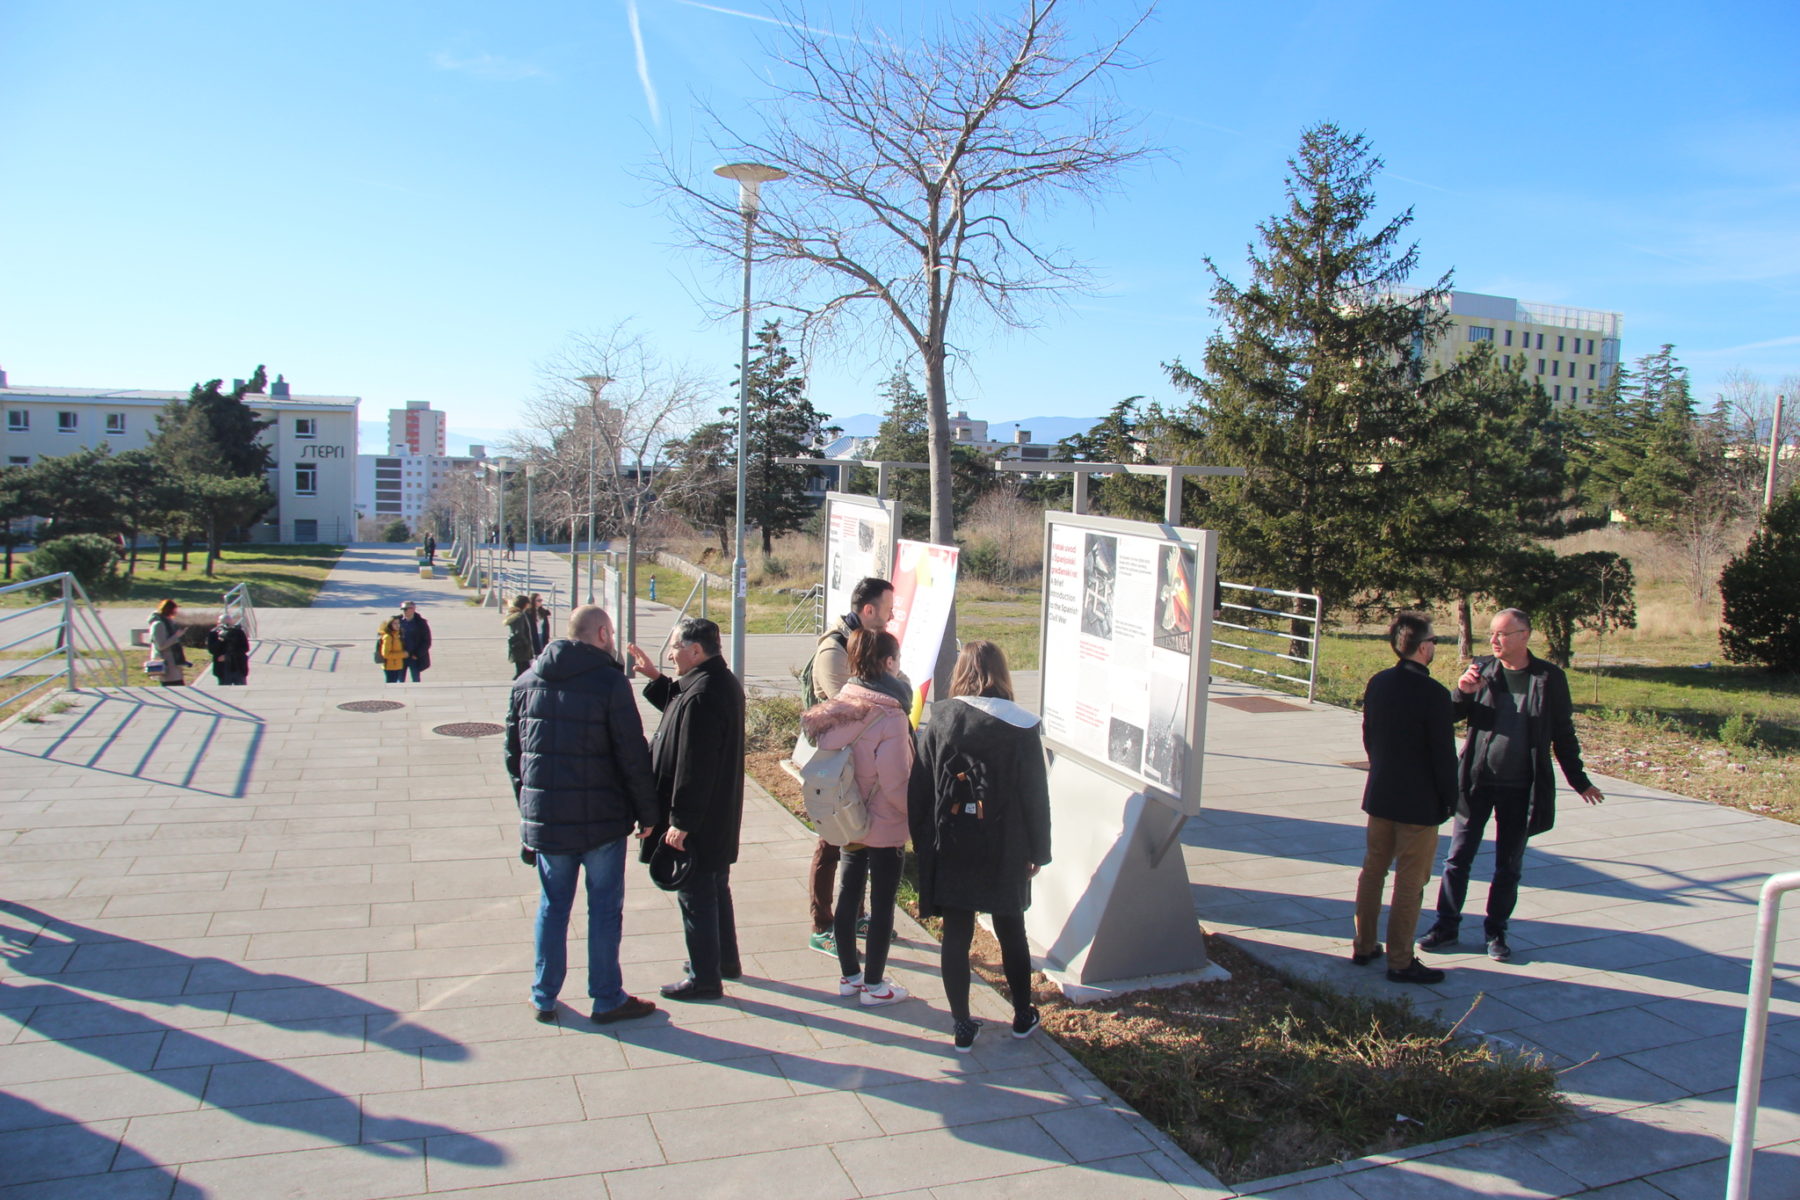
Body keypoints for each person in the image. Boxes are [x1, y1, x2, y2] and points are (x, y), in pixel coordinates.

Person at [1419, 608, 1605, 962]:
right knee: (1458, 858)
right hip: (1476, 781)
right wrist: (1462, 692)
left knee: (1508, 865)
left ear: (1524, 636)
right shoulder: (1482, 669)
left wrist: (1579, 781)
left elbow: (1563, 734)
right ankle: (1446, 926)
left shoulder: (1549, 679)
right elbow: (1449, 717)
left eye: (1502, 634)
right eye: (1492, 633)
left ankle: (1496, 931)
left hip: (1521, 787)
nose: (1494, 641)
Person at [506, 604, 661, 1025]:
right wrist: (648, 812)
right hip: (601, 822)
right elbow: (631, 753)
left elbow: (513, 756)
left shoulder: (526, 681)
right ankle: (607, 998)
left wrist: (529, 810)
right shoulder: (609, 683)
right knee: (604, 910)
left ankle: (543, 994)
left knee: (552, 907)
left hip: (547, 822)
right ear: (603, 634)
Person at [908, 640, 1050, 1052]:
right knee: (1011, 929)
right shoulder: (1022, 726)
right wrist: (1038, 851)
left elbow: (919, 787)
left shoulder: (941, 719)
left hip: (952, 841)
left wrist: (924, 842)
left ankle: (961, 1024)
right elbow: (1035, 796)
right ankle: (1022, 1014)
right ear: (1002, 673)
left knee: (957, 932)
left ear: (962, 672)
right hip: (1006, 843)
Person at [627, 618, 745, 1001]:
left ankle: (704, 978)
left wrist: (681, 822)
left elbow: (696, 765)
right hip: (715, 815)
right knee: (715, 887)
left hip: (700, 820)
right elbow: (680, 710)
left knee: (696, 894)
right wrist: (654, 677)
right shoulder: (712, 683)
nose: (670, 654)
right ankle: (722, 961)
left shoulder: (703, 694)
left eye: (675, 647)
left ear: (696, 651)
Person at [801, 628, 914, 1007]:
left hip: (846, 816)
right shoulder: (891, 715)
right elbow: (896, 782)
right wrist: (915, 817)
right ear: (889, 662)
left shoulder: (839, 706)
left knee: (849, 893)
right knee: (882, 905)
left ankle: (849, 977)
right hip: (883, 823)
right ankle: (876, 986)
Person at [1352, 613, 1458, 986]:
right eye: (1434, 641)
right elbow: (1443, 755)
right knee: (1410, 882)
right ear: (1423, 647)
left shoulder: (1378, 682)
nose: (1435, 646)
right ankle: (1400, 960)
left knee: (1373, 872)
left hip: (1381, 792)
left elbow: (1369, 735)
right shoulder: (1434, 694)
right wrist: (1451, 798)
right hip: (1419, 803)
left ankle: (1364, 945)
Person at [805, 576, 899, 958]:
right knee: (831, 844)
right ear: (868, 610)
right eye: (887, 610)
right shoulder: (834, 650)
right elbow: (844, 709)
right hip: (837, 772)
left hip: (859, 770)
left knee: (856, 846)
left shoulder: (866, 644)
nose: (891, 618)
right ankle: (822, 925)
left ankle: (855, 916)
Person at [147, 599, 188, 688]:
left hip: (173, 663)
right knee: (173, 688)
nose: (176, 612)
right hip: (166, 664)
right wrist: (176, 636)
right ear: (169, 610)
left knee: (179, 686)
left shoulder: (169, 622)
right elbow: (161, 645)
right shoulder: (159, 624)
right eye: (174, 610)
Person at [206, 613, 251, 686]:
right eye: (223, 623)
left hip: (238, 666)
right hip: (223, 668)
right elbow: (212, 650)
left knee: (241, 688)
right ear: (218, 623)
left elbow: (245, 648)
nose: (226, 626)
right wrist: (220, 640)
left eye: (228, 623)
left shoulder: (238, 632)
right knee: (224, 689)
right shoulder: (213, 633)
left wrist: (228, 656)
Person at [397, 600, 432, 682]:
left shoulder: (421, 623)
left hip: (414, 657)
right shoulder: (397, 622)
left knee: (415, 680)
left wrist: (417, 654)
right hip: (401, 656)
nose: (404, 611)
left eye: (406, 609)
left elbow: (426, 641)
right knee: (400, 680)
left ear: (413, 609)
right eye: (402, 609)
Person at [503, 595, 536, 678]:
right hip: (521, 646)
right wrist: (526, 643)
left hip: (516, 645)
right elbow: (520, 632)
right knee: (524, 670)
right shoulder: (520, 616)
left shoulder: (513, 614)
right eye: (528, 603)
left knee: (521, 668)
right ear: (525, 604)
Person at [377, 615, 408, 683]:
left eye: (398, 623)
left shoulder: (397, 635)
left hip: (396, 665)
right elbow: (386, 654)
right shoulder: (388, 637)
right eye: (395, 623)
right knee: (391, 685)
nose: (397, 625)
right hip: (390, 667)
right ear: (390, 625)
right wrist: (402, 654)